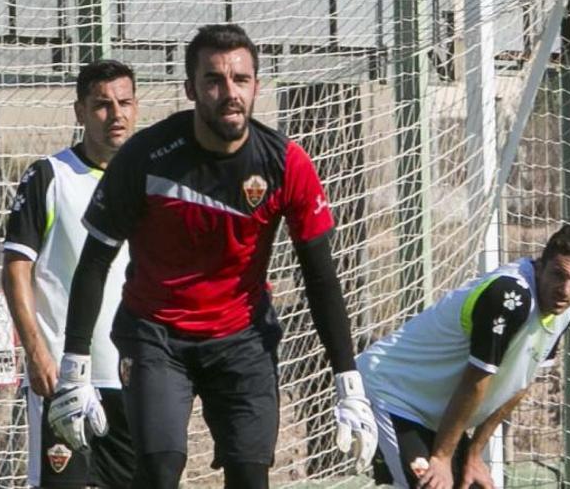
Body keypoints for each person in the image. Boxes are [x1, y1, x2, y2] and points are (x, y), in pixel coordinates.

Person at [48, 24, 377, 489]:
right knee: (160, 469)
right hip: (155, 335)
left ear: (257, 85)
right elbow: (96, 260)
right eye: (214, 80)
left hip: (243, 340)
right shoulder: (145, 157)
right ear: (190, 88)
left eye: (241, 79)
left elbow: (320, 278)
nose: (230, 92)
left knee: (250, 477)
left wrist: (348, 380)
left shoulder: (287, 164)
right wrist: (73, 368)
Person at [356, 224, 570, 489]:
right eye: (558, 274)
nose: (565, 290)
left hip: (436, 415)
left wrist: (474, 454)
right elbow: (476, 380)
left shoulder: (565, 310)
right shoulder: (510, 296)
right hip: (391, 393)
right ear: (540, 266)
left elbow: (520, 384)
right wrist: (442, 457)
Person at [1, 60, 138, 488]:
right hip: (65, 379)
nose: (116, 114)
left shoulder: (149, 180)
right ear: (79, 112)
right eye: (101, 105)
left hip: (133, 378)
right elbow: (15, 269)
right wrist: (37, 352)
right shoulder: (50, 175)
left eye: (125, 102)